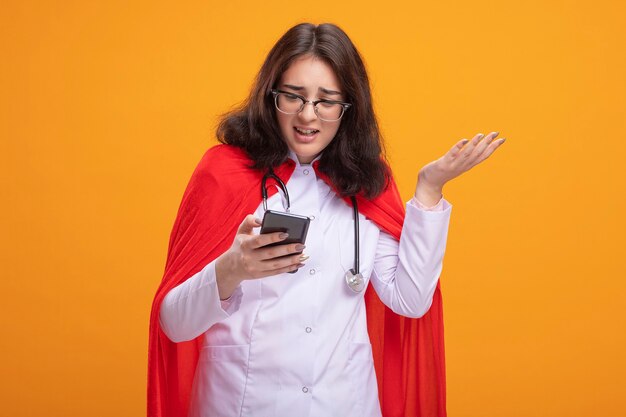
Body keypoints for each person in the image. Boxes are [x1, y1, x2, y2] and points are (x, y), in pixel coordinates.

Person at [147, 22, 505, 417]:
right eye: (293, 97)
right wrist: (231, 270)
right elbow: (173, 324)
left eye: (326, 101)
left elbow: (410, 300)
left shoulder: (368, 179)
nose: (307, 115)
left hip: (345, 403)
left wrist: (429, 191)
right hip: (241, 402)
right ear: (271, 96)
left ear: (349, 107)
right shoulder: (222, 172)